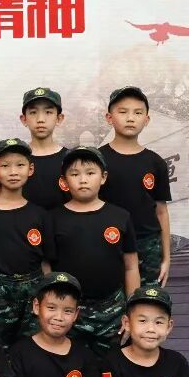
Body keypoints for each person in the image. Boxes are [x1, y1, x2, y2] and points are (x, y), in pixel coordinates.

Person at [48, 146, 140, 356]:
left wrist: (132, 311)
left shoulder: (120, 216)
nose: (83, 180)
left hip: (112, 311)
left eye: (90, 173)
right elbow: (47, 267)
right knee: (69, 366)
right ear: (64, 181)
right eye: (75, 174)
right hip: (68, 311)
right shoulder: (53, 218)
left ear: (103, 177)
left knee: (111, 367)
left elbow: (131, 267)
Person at [0, 138, 53, 345]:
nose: (13, 172)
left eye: (20, 165)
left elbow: (46, 264)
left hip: (33, 291)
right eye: (5, 166)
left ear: (30, 169)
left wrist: (48, 302)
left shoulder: (40, 215)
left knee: (33, 348)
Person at [99, 87, 173, 285]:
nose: (130, 118)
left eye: (138, 113)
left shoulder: (156, 162)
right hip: (108, 242)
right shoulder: (97, 160)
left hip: (148, 246)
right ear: (109, 118)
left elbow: (161, 212)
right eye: (123, 112)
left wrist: (166, 258)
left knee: (147, 302)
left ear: (146, 120)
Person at [20, 87, 69, 210]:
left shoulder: (71, 159)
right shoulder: (15, 160)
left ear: (59, 118)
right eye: (33, 112)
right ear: (24, 119)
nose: (40, 120)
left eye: (48, 112)